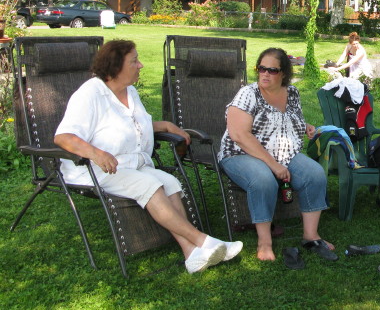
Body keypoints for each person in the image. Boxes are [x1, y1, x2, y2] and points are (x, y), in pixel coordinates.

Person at [54, 40, 242, 274]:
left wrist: (165, 125)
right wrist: (96, 153)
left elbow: (132, 126)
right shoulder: (91, 94)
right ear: (115, 67)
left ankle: (191, 254)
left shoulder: (130, 92)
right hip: (96, 169)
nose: (140, 65)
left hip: (131, 165)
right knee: (151, 186)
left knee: (170, 183)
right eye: (134, 61)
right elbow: (63, 137)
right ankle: (205, 241)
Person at [219, 47, 336, 262]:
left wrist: (305, 126)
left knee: (315, 174)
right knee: (263, 180)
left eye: (272, 70)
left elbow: (288, 120)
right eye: (261, 68)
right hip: (240, 153)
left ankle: (311, 236)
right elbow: (239, 135)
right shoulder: (248, 94)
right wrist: (273, 165)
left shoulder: (291, 93)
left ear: (284, 73)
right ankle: (264, 241)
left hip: (285, 153)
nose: (265, 73)